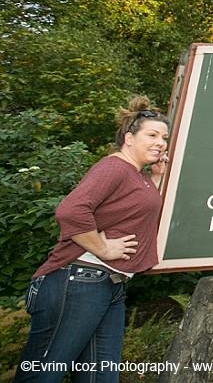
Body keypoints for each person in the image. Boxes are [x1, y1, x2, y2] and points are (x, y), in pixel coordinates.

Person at [13, 97, 169, 383]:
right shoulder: (114, 168)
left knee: (99, 377)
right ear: (128, 138)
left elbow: (137, 211)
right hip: (77, 282)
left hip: (109, 286)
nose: (161, 142)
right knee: (43, 374)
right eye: (152, 135)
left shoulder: (138, 174)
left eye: (164, 138)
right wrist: (103, 248)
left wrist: (156, 179)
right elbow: (70, 211)